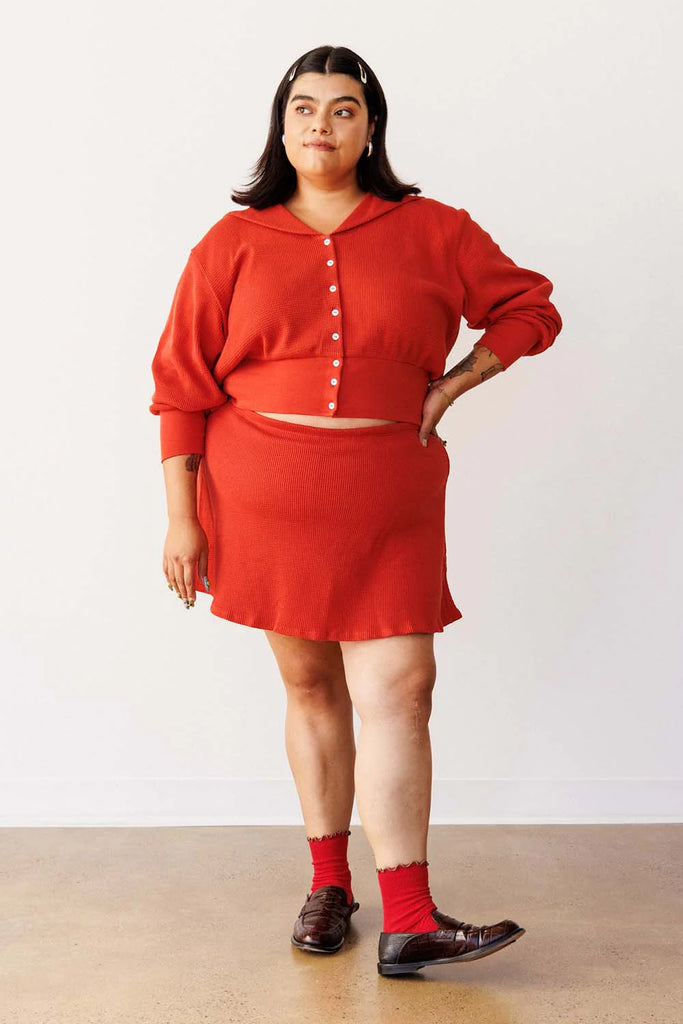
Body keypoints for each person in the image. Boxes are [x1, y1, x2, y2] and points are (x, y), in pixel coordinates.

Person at [148, 44, 562, 977]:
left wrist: (452, 383)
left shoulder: (435, 229)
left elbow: (530, 308)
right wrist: (182, 516)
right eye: (304, 107)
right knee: (309, 688)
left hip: (388, 498)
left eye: (343, 109)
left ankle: (409, 917)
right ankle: (329, 886)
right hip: (261, 496)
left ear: (370, 127)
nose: (321, 125)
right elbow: (180, 385)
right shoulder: (230, 242)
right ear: (280, 123)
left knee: (403, 689)